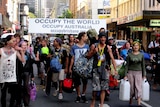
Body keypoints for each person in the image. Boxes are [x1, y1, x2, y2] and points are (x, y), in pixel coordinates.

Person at [90, 32, 118, 107]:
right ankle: (93, 101)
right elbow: (88, 56)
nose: (103, 39)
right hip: (96, 69)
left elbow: (112, 58)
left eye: (104, 37)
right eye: (101, 37)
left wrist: (115, 70)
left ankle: (101, 104)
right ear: (99, 38)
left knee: (104, 88)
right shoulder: (94, 46)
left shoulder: (108, 48)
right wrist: (93, 52)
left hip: (105, 69)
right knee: (95, 88)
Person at [0, 34, 25, 107]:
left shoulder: (15, 51)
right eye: (13, 41)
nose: (15, 42)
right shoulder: (1, 50)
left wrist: (21, 51)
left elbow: (22, 60)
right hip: (3, 77)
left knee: (13, 95)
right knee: (3, 95)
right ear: (8, 42)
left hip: (12, 77)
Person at [69, 32, 90, 103]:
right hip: (76, 67)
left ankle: (83, 94)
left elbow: (89, 56)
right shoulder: (74, 47)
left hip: (84, 67)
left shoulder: (87, 46)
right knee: (77, 82)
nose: (86, 38)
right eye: (85, 36)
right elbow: (72, 58)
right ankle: (78, 95)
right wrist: (70, 68)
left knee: (85, 81)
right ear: (82, 37)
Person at [124, 41, 146, 107]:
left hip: (139, 72)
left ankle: (139, 104)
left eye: (137, 45)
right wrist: (125, 75)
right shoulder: (129, 55)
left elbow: (143, 65)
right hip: (130, 72)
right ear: (132, 47)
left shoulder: (141, 55)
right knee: (131, 88)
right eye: (134, 45)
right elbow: (127, 65)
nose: (135, 47)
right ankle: (130, 102)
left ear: (139, 47)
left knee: (138, 88)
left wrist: (144, 75)